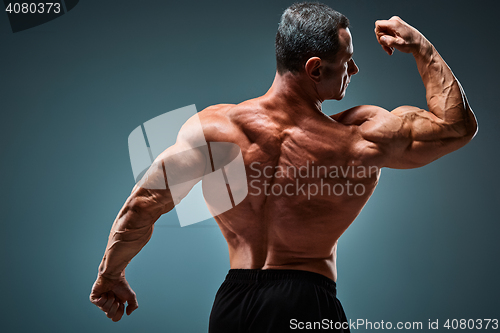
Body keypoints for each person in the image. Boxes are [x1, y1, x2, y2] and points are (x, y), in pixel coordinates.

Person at [89, 2, 477, 332]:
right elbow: (456, 127)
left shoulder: (213, 129)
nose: (354, 70)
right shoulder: (359, 138)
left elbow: (143, 203)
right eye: (346, 60)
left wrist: (111, 275)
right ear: (314, 68)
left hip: (233, 307)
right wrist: (420, 47)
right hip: (306, 304)